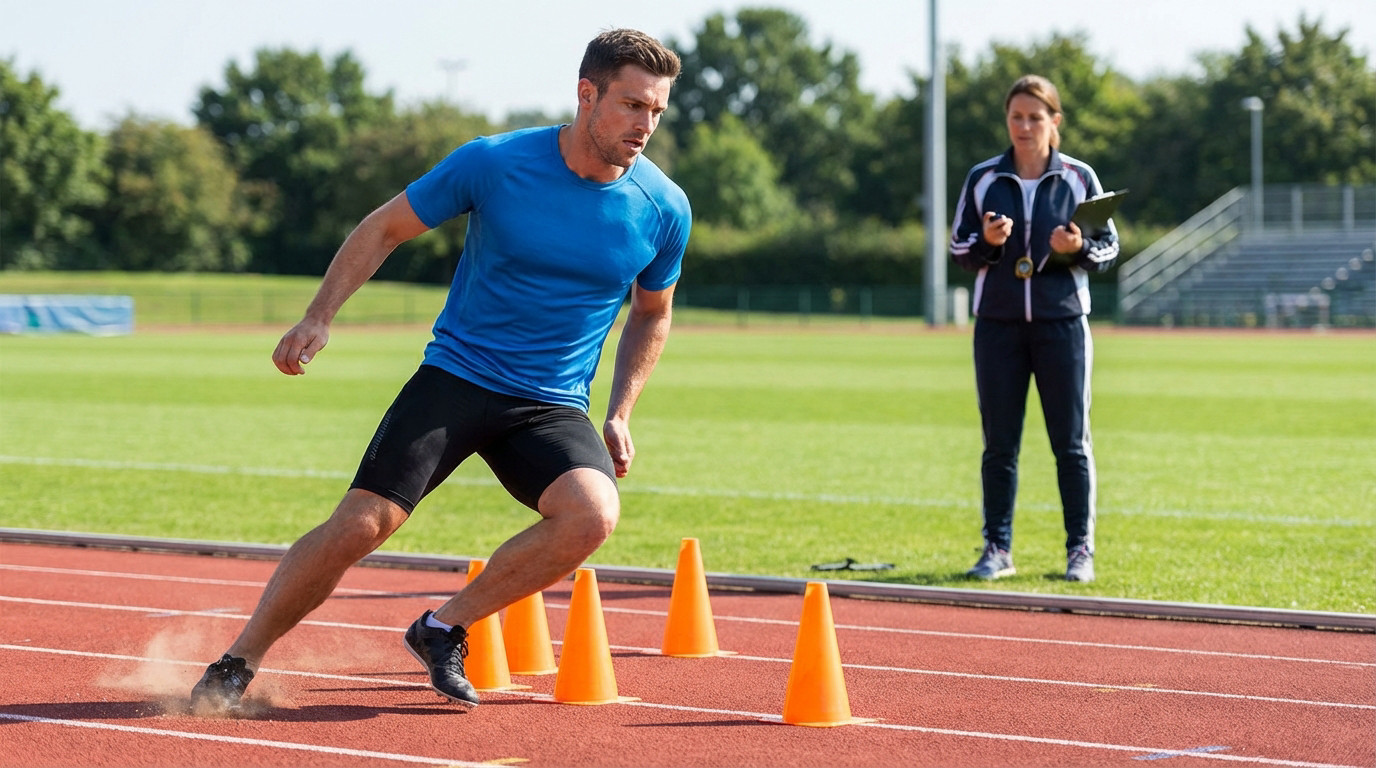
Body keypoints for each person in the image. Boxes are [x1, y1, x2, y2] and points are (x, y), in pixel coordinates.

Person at [190, 28, 689, 713]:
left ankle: (442, 627)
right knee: (362, 525)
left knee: (591, 514)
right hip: (458, 378)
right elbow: (383, 227)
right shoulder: (495, 163)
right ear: (587, 93)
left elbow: (651, 312)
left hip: (549, 403)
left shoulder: (664, 208)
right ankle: (237, 661)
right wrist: (318, 316)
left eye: (657, 111)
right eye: (633, 105)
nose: (646, 124)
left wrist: (621, 410)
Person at [948, 75, 1119, 584]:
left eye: (1035, 117)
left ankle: (1079, 550)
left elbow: (1108, 249)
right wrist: (987, 242)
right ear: (1007, 121)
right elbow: (959, 250)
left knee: (1071, 443)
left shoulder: (1079, 177)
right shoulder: (984, 178)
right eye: (1016, 117)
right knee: (999, 444)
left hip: (1062, 324)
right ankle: (997, 548)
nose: (1024, 127)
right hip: (997, 326)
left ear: (1054, 122)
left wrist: (1077, 251)